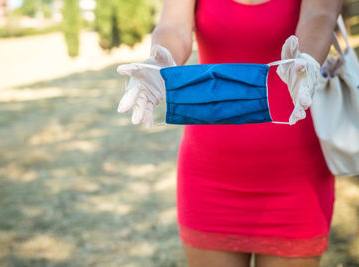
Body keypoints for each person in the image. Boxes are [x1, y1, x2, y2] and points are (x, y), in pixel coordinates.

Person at [117, 0, 343, 266]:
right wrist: (159, 61)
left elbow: (320, 15)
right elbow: (174, 26)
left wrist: (306, 59)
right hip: (209, 177)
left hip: (297, 176)